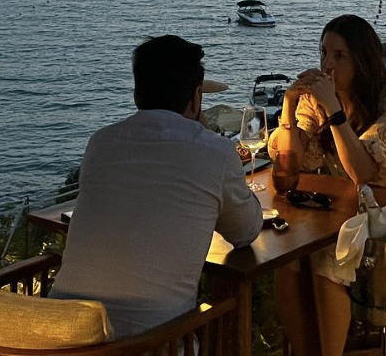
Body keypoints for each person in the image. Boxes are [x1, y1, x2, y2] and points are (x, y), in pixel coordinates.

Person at [50, 35, 262, 337]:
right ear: (196, 98)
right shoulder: (215, 152)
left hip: (62, 338)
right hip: (154, 344)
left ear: (138, 93)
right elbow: (246, 231)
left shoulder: (102, 143)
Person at [268, 15, 386, 356]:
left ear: (362, 60)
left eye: (339, 56)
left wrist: (334, 110)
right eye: (323, 53)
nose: (326, 65)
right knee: (288, 264)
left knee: (327, 262)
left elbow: (361, 171)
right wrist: (289, 108)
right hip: (338, 215)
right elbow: (289, 162)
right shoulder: (315, 101)